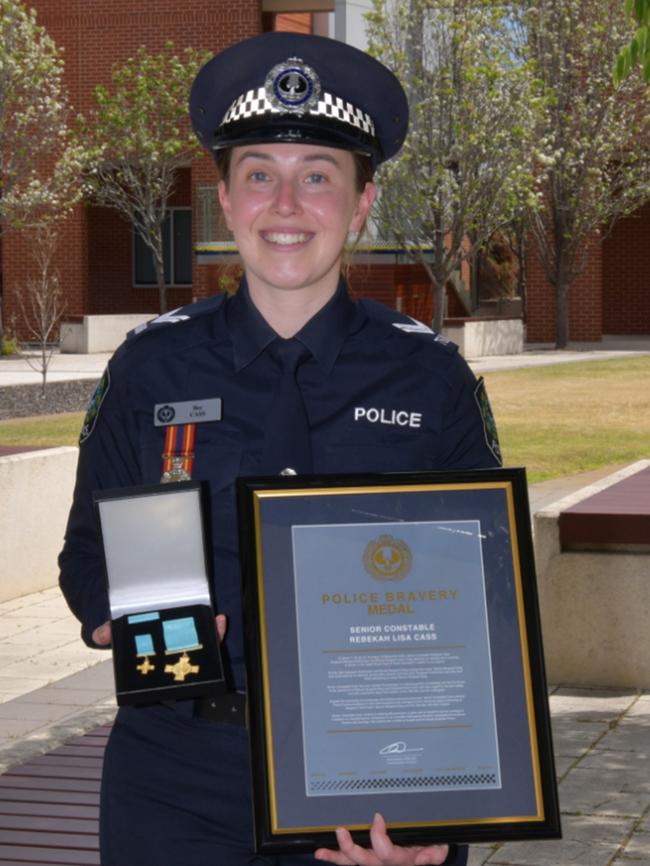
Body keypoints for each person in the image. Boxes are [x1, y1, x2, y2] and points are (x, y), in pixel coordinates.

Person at [59, 31, 502, 866]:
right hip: (175, 771)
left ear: (362, 203)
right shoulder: (150, 368)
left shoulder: (432, 380)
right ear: (226, 202)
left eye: (318, 178)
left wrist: (446, 822)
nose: (287, 204)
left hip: (370, 781)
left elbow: (485, 611)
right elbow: (88, 553)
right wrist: (111, 616)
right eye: (259, 174)